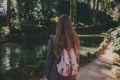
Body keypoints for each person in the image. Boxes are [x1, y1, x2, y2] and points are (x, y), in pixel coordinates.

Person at [44, 14, 80, 80]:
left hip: (56, 75)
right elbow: (77, 56)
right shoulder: (75, 38)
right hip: (71, 74)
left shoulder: (53, 40)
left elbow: (49, 59)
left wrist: (46, 76)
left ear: (59, 25)